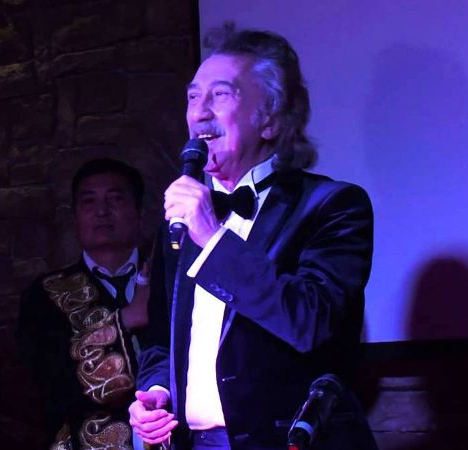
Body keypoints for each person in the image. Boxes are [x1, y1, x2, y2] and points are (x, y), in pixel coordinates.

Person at [129, 24, 378, 450]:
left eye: (220, 95)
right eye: (193, 96)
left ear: (270, 119)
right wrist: (157, 390)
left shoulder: (333, 206)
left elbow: (311, 322)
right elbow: (161, 339)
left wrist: (213, 239)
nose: (199, 113)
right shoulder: (183, 218)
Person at [17, 158, 152, 450]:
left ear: (139, 212)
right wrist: (126, 319)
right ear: (75, 216)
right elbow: (45, 385)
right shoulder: (44, 295)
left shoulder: (170, 280)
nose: (102, 211)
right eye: (89, 202)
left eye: (115, 199)